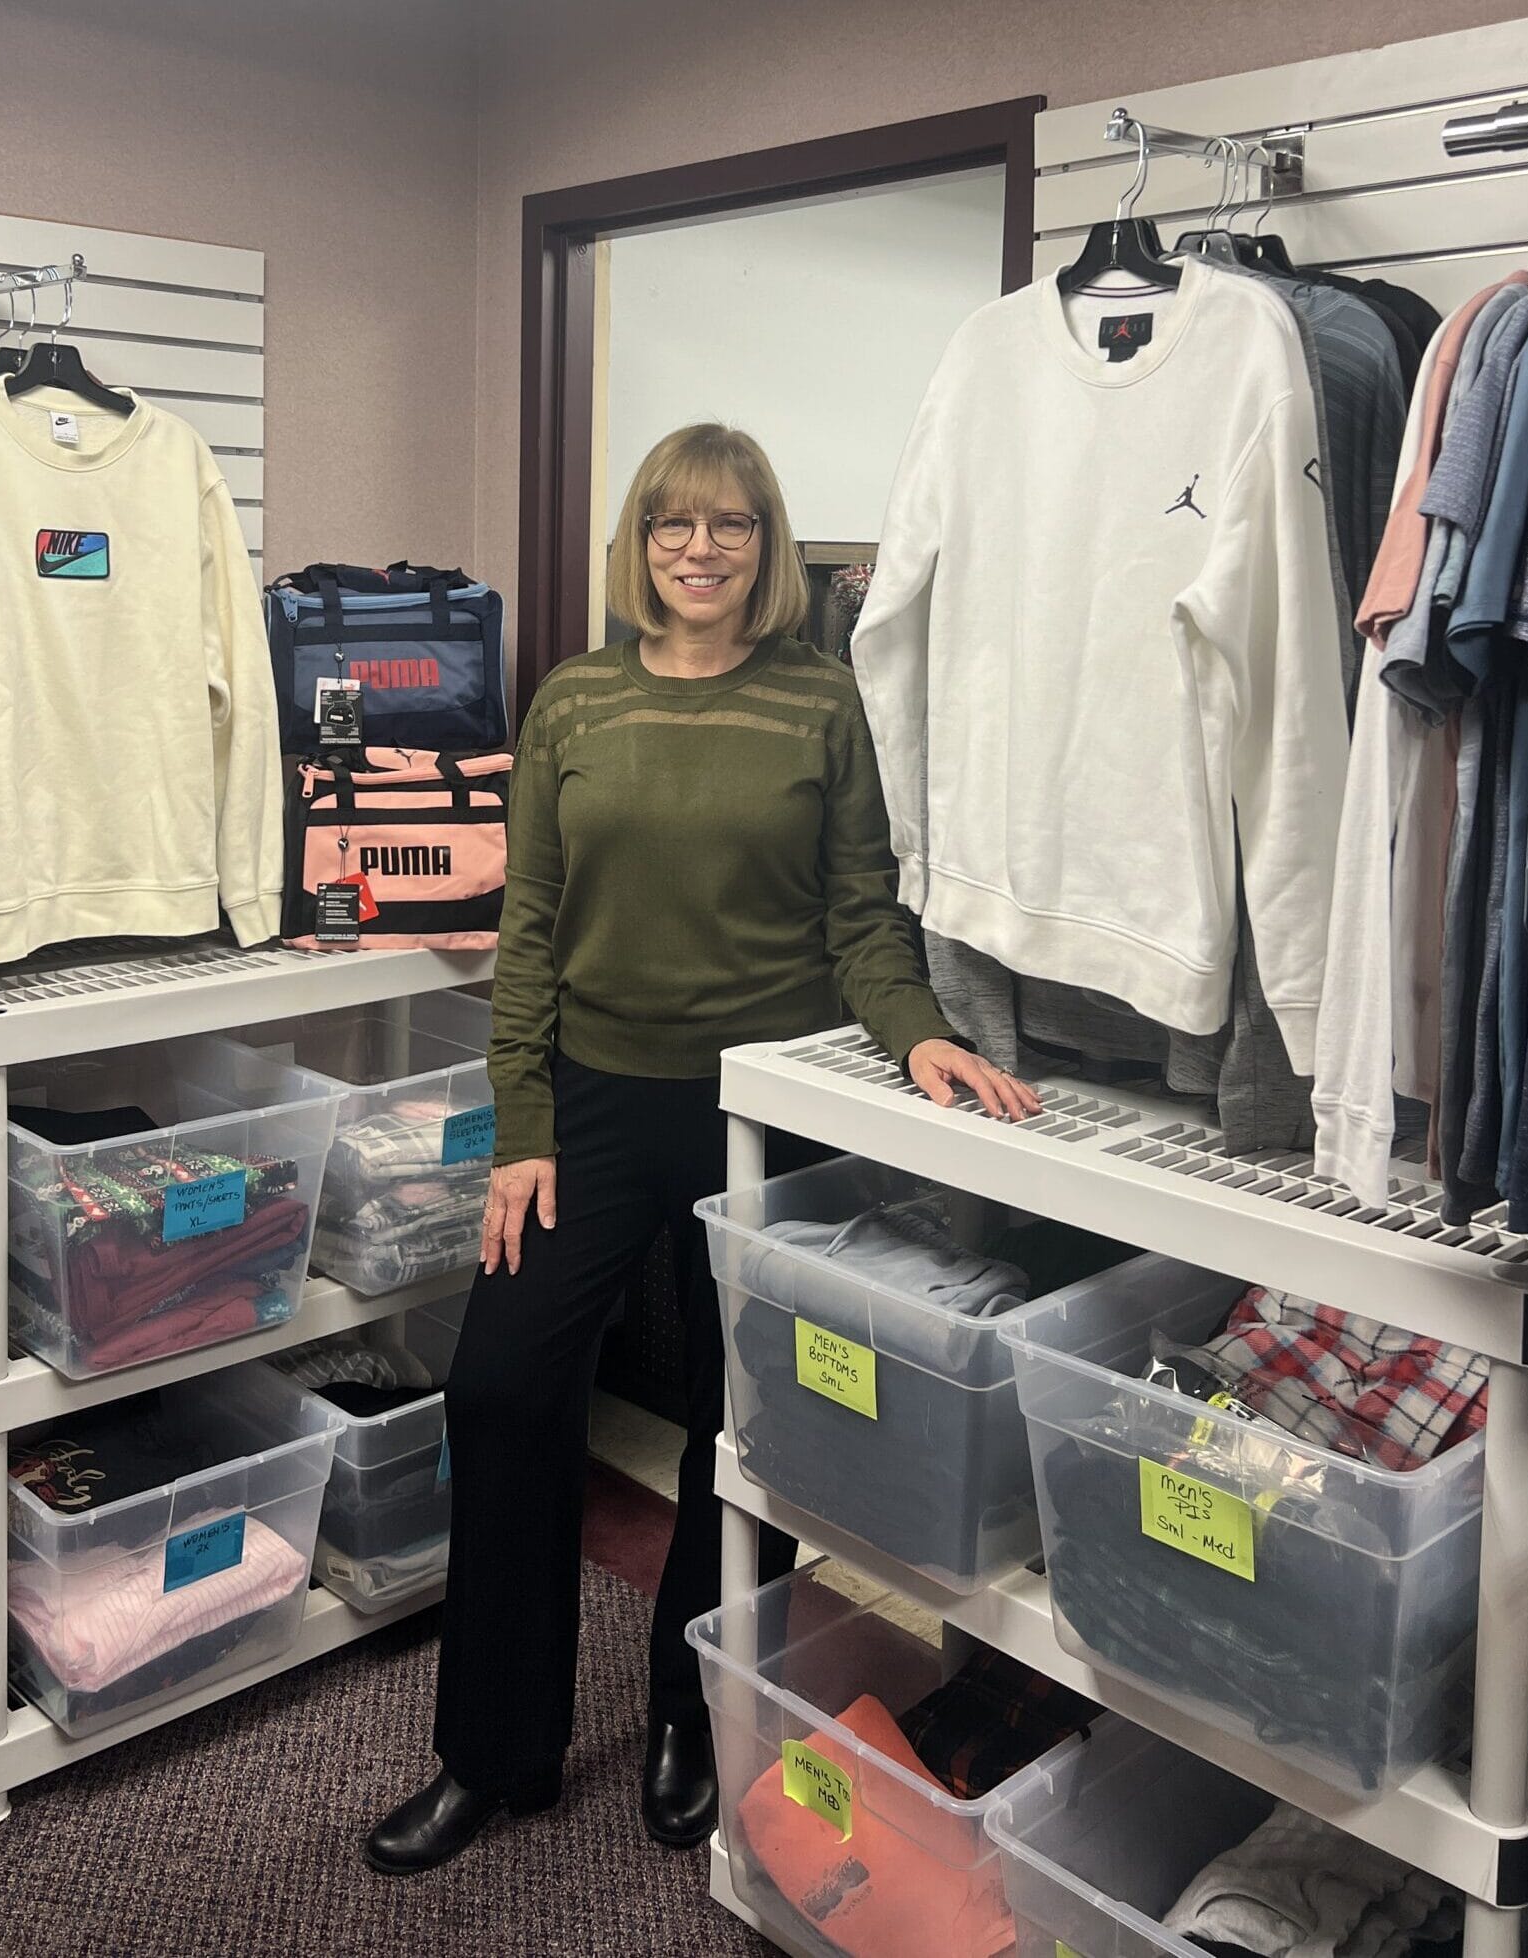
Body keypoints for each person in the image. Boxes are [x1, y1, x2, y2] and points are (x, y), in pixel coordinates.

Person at [364, 423, 1036, 1876]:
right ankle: (494, 1748)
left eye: (732, 524)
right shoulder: (575, 699)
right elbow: (529, 929)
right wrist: (521, 1125)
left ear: (767, 545)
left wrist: (916, 1032)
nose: (702, 549)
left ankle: (690, 1702)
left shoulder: (820, 702)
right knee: (500, 1387)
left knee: (743, 1421)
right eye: (674, 523)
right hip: (593, 1105)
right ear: (641, 542)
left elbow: (861, 913)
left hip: (763, 1108)